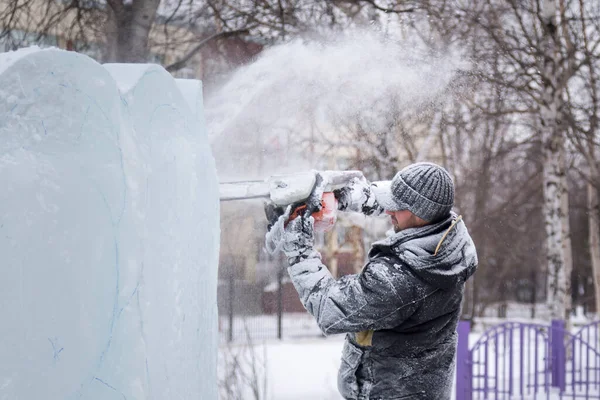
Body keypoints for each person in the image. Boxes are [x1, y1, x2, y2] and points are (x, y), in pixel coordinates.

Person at [272, 162, 478, 400]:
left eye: (396, 207)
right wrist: (350, 198)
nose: (389, 212)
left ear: (421, 214)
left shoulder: (400, 279)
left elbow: (329, 309)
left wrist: (298, 249)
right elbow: (409, 200)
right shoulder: (450, 243)